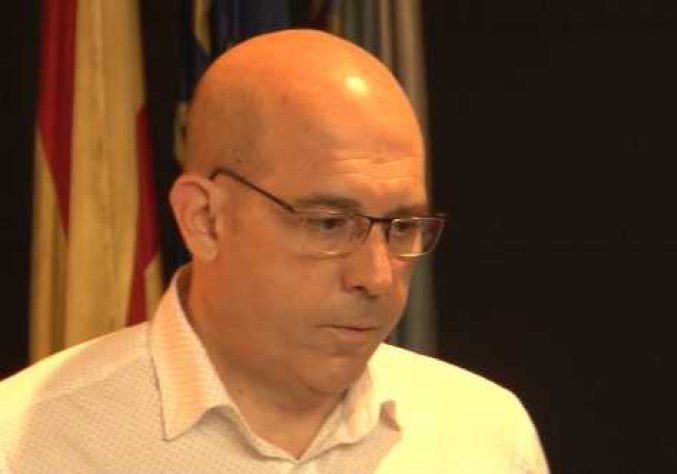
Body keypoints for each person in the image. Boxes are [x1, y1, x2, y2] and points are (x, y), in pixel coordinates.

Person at [0, 29, 548, 473]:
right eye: (329, 224)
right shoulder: (26, 446)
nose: (377, 277)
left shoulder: (485, 436)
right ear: (204, 219)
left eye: (402, 227)